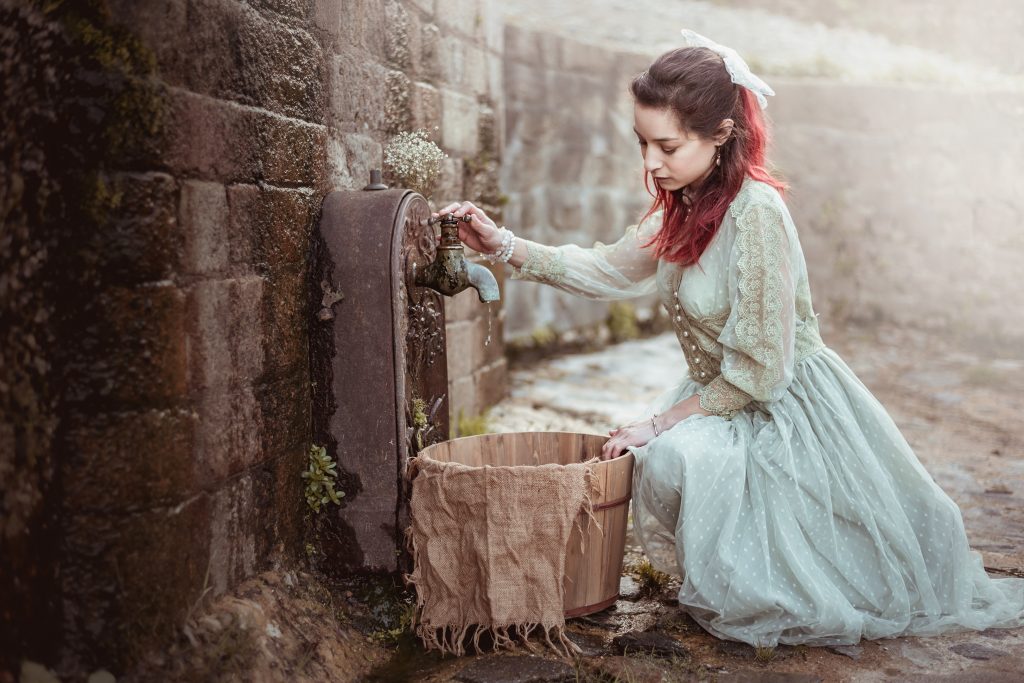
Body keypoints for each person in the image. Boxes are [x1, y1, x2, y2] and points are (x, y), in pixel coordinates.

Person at [430, 29, 1024, 649]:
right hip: (722, 391)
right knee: (667, 451)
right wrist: (502, 244)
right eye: (643, 144)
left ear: (721, 134)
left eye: (667, 145)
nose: (650, 163)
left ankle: (786, 579)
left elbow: (762, 372)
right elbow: (609, 267)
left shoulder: (757, 213)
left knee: (678, 452)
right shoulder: (684, 202)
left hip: (782, 400)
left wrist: (659, 424)